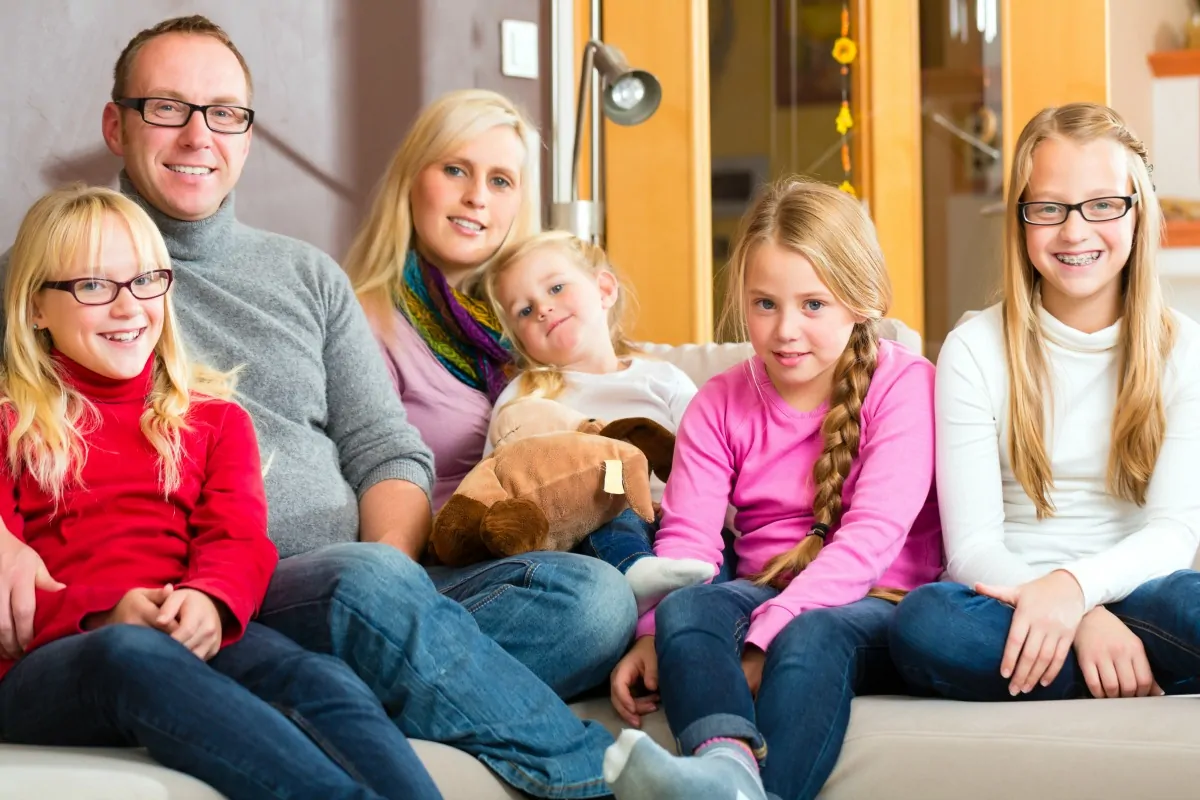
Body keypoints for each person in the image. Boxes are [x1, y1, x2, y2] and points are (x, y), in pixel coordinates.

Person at [0, 16, 616, 799]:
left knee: (590, 601)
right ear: (115, 126)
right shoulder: (44, 271)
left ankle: (380, 655)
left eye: (224, 112)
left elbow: (387, 452)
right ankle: (593, 773)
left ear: (247, 135)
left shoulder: (306, 276)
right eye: (167, 108)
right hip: (181, 592)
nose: (198, 135)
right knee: (364, 592)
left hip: (330, 583)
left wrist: (390, 581)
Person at [0, 185, 442, 800]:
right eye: (93, 286)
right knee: (129, 652)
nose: (129, 307)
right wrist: (105, 613)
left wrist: (209, 600)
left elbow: (237, 538)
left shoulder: (214, 420)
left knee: (322, 679)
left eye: (146, 280)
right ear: (35, 308)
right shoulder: (11, 426)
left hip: (187, 626)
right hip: (55, 661)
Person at [602, 178, 944, 800]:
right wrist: (654, 634)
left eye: (813, 305)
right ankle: (725, 767)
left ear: (860, 301)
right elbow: (688, 547)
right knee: (687, 607)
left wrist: (768, 634)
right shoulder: (718, 403)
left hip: (879, 598)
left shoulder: (905, 386)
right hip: (763, 590)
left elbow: (871, 539)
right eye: (765, 305)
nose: (786, 330)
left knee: (814, 635)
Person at [889, 102, 1200, 702]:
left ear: (1138, 211)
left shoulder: (1184, 349)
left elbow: (1172, 533)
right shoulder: (974, 350)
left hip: (1142, 595)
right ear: (1020, 219)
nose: (1075, 231)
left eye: (1103, 204)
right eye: (1050, 208)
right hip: (1012, 602)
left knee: (1188, 602)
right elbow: (972, 550)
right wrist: (1078, 618)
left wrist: (1079, 591)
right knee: (926, 624)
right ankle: (1123, 669)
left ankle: (1103, 665)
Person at [343, 88, 636, 697]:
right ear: (412, 179)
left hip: (552, 550)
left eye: (501, 180)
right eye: (455, 169)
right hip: (437, 571)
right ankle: (379, 671)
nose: (477, 195)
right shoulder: (364, 321)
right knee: (598, 603)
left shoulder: (530, 323)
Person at [482, 230, 713, 613]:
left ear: (604, 289)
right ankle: (635, 575)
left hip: (674, 519)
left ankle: (686, 592)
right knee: (609, 513)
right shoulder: (527, 392)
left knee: (715, 542)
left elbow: (708, 456)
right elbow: (497, 473)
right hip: (582, 526)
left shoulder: (662, 378)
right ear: (521, 341)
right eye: (524, 310)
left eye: (556, 288)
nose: (542, 308)